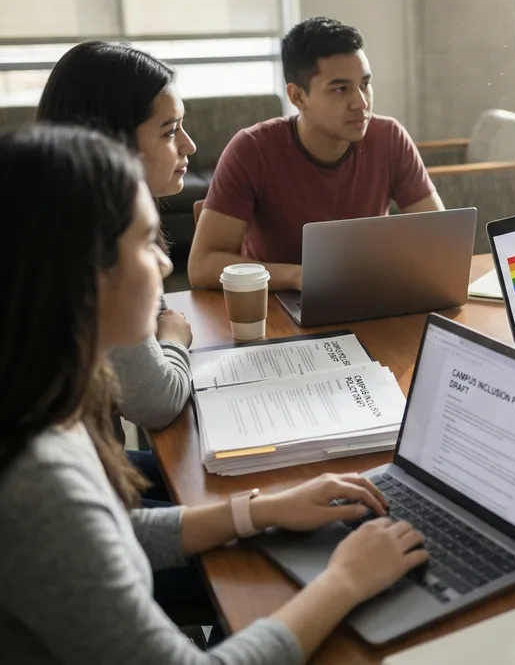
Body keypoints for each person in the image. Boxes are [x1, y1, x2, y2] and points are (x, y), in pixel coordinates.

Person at [0, 126, 429, 663]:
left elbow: (112, 530)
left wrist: (262, 510)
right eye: (144, 243)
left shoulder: (40, 403)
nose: (163, 264)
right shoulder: (36, 480)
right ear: (79, 270)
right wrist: (343, 580)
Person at [189, 17, 443, 291]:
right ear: (297, 97)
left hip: (366, 293)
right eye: (340, 89)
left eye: (365, 84)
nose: (361, 102)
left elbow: (441, 239)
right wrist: (299, 277)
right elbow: (203, 265)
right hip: (278, 307)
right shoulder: (251, 149)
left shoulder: (389, 138)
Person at [35, 41, 194, 435]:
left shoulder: (65, 218)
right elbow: (155, 401)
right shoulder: (90, 248)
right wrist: (174, 339)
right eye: (170, 131)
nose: (188, 146)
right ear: (115, 140)